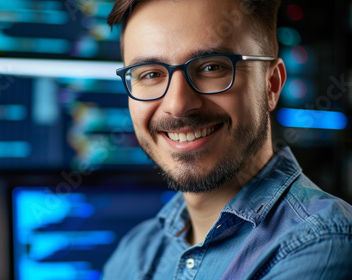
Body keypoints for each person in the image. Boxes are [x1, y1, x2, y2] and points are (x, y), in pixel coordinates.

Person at [102, 0, 352, 279]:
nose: (177, 104)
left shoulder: (323, 244)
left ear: (271, 85)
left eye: (211, 68)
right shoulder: (134, 253)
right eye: (150, 74)